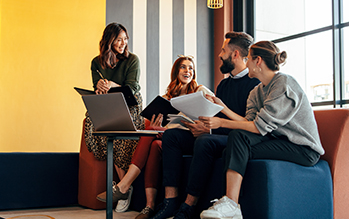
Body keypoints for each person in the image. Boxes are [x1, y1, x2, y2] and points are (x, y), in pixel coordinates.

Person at [199, 41, 325, 219]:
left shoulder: (284, 83)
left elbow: (258, 127)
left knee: (237, 140)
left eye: (248, 59)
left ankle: (232, 203)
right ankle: (230, 206)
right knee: (233, 146)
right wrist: (223, 109)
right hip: (278, 141)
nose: (246, 62)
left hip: (303, 149)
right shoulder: (256, 91)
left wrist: (221, 122)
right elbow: (249, 122)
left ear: (258, 61)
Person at [151, 32, 260, 219]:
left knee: (204, 141)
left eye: (223, 50)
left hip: (235, 139)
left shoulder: (255, 84)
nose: (220, 54)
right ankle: (170, 201)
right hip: (214, 132)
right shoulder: (224, 85)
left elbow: (249, 125)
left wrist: (209, 129)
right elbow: (214, 115)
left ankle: (188, 206)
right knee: (172, 137)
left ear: (234, 54)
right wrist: (200, 124)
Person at [97, 55, 214, 218]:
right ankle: (149, 206)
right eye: (183, 67)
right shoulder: (167, 98)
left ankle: (124, 186)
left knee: (155, 135)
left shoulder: (200, 90)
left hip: (193, 137)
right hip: (170, 139)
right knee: (151, 137)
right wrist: (156, 127)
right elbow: (163, 127)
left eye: (191, 68)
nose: (188, 70)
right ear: (176, 71)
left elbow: (214, 110)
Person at [83, 22, 144, 210]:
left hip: (129, 103)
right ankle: (124, 187)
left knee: (118, 136)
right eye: (119, 39)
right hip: (108, 102)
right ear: (109, 40)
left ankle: (122, 188)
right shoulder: (96, 62)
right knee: (93, 123)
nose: (123, 43)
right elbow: (97, 86)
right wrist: (99, 87)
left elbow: (133, 88)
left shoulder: (132, 59)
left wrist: (112, 85)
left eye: (125, 39)